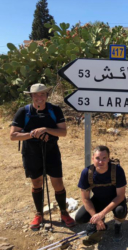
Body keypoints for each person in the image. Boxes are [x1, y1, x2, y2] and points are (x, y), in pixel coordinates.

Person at [10, 83, 75, 229]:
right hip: (31, 153)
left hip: (51, 150)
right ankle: (39, 213)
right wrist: (33, 134)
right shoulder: (23, 111)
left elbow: (63, 132)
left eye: (42, 94)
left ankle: (63, 212)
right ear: (31, 96)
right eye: (36, 95)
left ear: (46, 95)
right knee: (37, 182)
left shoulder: (55, 110)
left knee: (57, 183)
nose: (39, 97)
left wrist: (46, 130)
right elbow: (13, 136)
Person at [75, 145, 127, 242]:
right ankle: (99, 223)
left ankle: (117, 225)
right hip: (98, 199)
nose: (100, 162)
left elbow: (120, 196)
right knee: (79, 218)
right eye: (97, 158)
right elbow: (86, 199)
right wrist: (96, 217)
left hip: (115, 200)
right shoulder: (86, 173)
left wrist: (102, 214)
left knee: (120, 211)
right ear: (93, 158)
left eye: (104, 158)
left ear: (108, 159)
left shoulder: (117, 170)